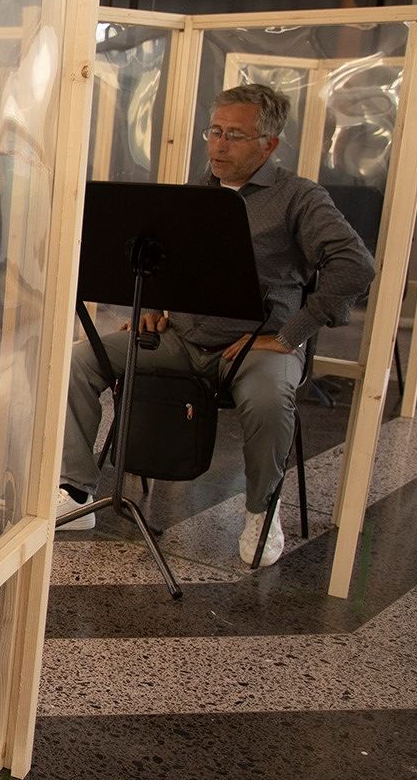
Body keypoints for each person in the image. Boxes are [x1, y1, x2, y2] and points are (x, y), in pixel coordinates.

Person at [55, 81, 375, 567]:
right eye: (214, 131)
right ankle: (77, 494)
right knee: (81, 359)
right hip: (184, 339)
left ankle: (261, 511)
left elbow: (356, 266)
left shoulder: (300, 198)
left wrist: (290, 336)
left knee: (269, 400)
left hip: (256, 350)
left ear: (269, 144)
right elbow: (170, 261)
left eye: (234, 135)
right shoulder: (196, 191)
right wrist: (154, 304)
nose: (219, 145)